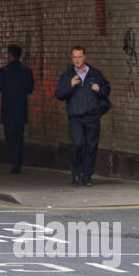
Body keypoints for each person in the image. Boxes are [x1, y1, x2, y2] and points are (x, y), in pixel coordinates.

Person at [54, 46, 111, 187]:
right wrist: (71, 85)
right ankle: (75, 173)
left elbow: (106, 90)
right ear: (71, 58)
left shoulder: (95, 74)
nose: (77, 60)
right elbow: (59, 94)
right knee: (77, 144)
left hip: (92, 116)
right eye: (74, 57)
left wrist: (99, 90)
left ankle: (87, 177)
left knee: (91, 147)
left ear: (84, 57)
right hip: (76, 117)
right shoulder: (67, 76)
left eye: (79, 57)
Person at [0, 45, 34, 174]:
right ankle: (18, 162)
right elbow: (30, 89)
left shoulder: (4, 71)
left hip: (8, 108)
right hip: (21, 107)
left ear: (10, 55)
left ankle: (14, 162)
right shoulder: (27, 71)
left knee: (10, 136)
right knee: (19, 136)